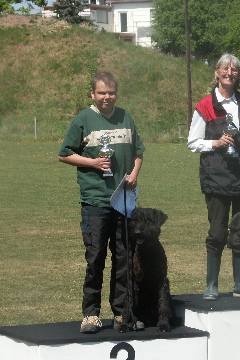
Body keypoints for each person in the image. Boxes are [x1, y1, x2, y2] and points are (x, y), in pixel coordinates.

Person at [58, 72, 145, 333]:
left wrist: (134, 175)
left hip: (123, 200)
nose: (107, 97)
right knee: (95, 258)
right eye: (102, 93)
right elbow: (64, 154)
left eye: (111, 93)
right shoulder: (84, 119)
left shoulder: (126, 117)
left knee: (123, 258)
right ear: (93, 94)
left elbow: (138, 153)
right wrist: (92, 162)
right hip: (95, 200)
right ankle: (91, 315)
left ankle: (121, 313)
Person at [187, 53, 240, 301]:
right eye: (225, 68)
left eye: (234, 69)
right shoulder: (204, 105)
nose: (230, 72)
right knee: (218, 233)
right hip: (216, 177)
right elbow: (192, 143)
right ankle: (212, 284)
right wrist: (216, 143)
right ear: (217, 72)